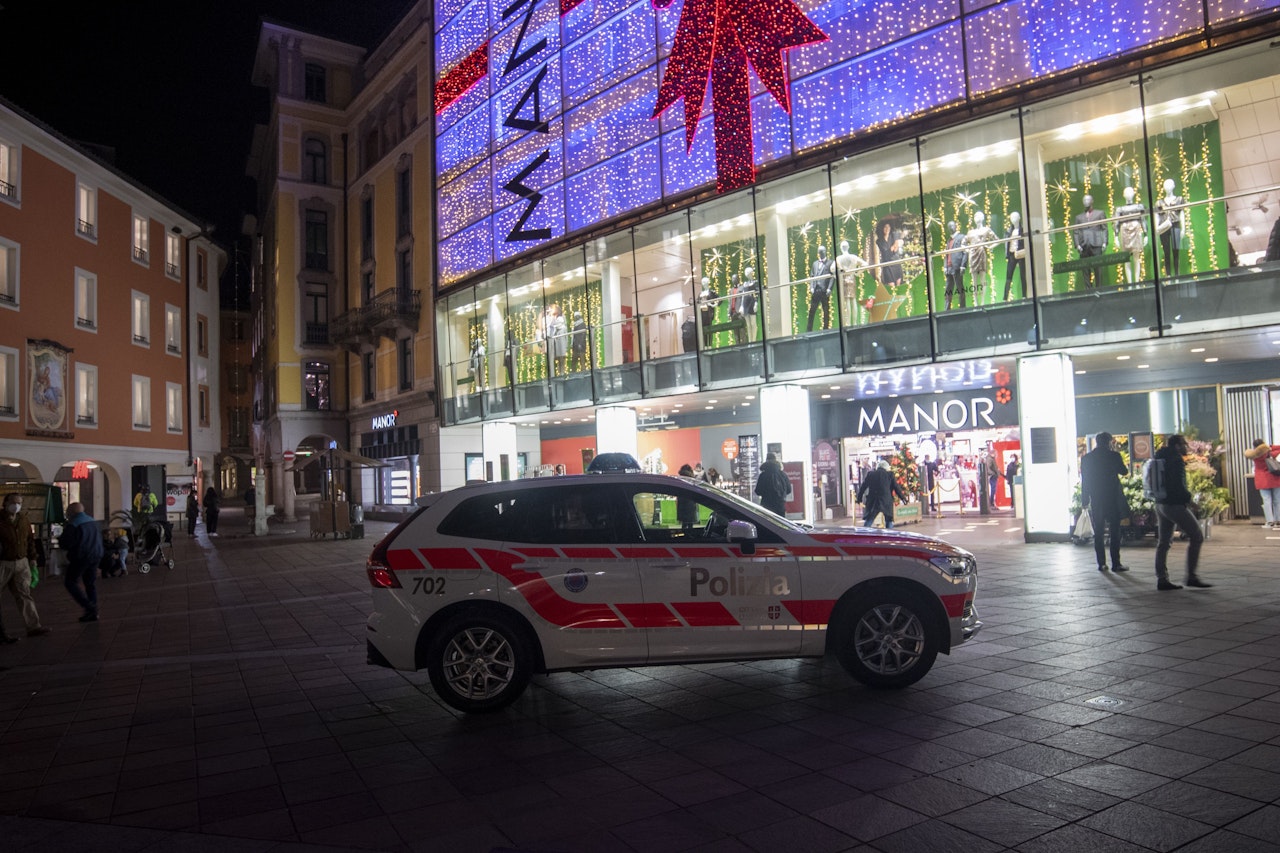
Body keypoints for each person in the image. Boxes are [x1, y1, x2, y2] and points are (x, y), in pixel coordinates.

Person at [1152, 434, 1210, 590]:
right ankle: (1191, 576)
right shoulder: (1175, 460)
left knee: (1163, 542)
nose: (1186, 447)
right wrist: (1189, 501)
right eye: (1184, 444)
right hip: (1175, 505)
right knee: (1197, 536)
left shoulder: (1160, 457)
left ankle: (1162, 579)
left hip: (1160, 504)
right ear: (1177, 445)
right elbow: (1177, 485)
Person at [0, 493, 51, 639]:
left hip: (21, 562)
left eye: (19, 503)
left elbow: (30, 540)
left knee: (24, 594)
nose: (16, 505)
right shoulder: (1, 520)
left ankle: (33, 626)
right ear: (6, 503)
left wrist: (32, 558)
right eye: (13, 502)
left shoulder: (23, 519)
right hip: (3, 562)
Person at [1080, 433, 1129, 572]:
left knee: (1099, 531)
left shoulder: (1087, 459)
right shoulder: (1114, 456)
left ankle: (1101, 563)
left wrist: (1085, 500)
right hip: (1112, 497)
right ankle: (1116, 563)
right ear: (1109, 442)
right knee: (1115, 531)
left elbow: (1085, 481)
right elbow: (1124, 471)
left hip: (1097, 498)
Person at [60, 501, 103, 623]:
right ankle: (92, 612)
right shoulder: (92, 521)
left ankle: (89, 607)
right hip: (96, 555)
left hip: (82, 556)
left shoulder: (73, 524)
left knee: (70, 582)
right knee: (90, 583)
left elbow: (65, 543)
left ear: (71, 512)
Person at [857, 459, 907, 528]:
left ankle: (864, 535)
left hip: (873, 501)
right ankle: (889, 536)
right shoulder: (890, 475)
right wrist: (903, 498)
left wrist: (859, 499)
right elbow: (896, 488)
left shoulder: (870, 474)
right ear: (886, 467)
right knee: (889, 520)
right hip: (886, 501)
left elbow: (863, 487)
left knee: (869, 519)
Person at [1074, 194, 1108, 288]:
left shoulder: (1100, 213)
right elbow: (1075, 231)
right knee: (1085, 270)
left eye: (1088, 200)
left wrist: (1105, 242)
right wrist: (1077, 245)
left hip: (1096, 244)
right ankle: (1088, 291)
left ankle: (1099, 289)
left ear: (1092, 201)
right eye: (1084, 200)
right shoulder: (1079, 217)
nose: (1086, 202)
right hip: (1083, 245)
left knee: (1098, 269)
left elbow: (1104, 228)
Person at [1244, 438, 1280, 529]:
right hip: (1275, 478)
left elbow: (1247, 453)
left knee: (1267, 501)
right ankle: (1278, 521)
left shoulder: (1255, 456)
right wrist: (1270, 447)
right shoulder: (1271, 453)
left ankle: (1270, 521)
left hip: (1262, 480)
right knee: (1277, 500)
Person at [1114, 186, 1146, 284]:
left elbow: (1143, 220)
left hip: (1136, 231)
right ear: (1123, 195)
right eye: (1126, 193)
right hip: (1124, 232)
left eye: (1130, 192)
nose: (1128, 194)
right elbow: (1116, 222)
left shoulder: (1139, 207)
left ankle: (1136, 282)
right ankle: (1130, 282)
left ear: (1134, 194)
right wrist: (1115, 236)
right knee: (1126, 258)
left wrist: (1146, 234)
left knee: (1136, 257)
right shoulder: (1119, 209)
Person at [964, 212, 997, 301]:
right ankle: (976, 302)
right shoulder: (970, 232)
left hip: (981, 253)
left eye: (978, 216)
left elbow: (996, 240)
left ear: (982, 218)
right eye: (975, 216)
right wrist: (968, 250)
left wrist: (990, 247)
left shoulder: (986, 230)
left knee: (983, 278)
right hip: (972, 255)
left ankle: (982, 301)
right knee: (974, 280)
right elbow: (963, 244)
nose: (976, 217)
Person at [1156, 179, 1185, 276]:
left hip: (1175, 225)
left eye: (1169, 185)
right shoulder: (1159, 202)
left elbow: (1182, 214)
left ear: (1173, 186)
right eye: (1165, 185)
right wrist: (1157, 227)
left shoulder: (1179, 199)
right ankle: (1168, 275)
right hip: (1164, 227)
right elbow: (1157, 215)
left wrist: (1183, 228)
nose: (1167, 187)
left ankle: (1177, 274)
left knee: (1175, 251)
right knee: (1166, 252)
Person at [807, 245, 834, 331]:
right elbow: (812, 276)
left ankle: (825, 329)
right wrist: (811, 286)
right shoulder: (815, 263)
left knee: (826, 311)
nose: (821, 253)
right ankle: (809, 330)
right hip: (815, 290)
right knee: (812, 311)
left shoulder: (830, 263)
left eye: (822, 251)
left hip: (824, 291)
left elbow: (832, 277)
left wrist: (829, 288)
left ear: (825, 252)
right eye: (820, 252)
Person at [943, 221, 968, 309]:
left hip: (957, 266)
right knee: (948, 289)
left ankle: (962, 307)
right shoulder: (949, 240)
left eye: (952, 226)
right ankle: (947, 308)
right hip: (949, 268)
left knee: (959, 287)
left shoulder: (961, 237)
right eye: (949, 226)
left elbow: (965, 252)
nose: (951, 228)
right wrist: (945, 266)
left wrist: (963, 265)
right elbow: (946, 255)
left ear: (956, 226)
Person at [1003, 212, 1025, 300]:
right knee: (1008, 276)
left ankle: (1024, 295)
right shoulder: (1009, 231)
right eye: (1011, 217)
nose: (1013, 219)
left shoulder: (1022, 229)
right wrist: (1007, 255)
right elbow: (1006, 244)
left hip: (1020, 253)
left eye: (1015, 217)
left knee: (1023, 275)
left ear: (1019, 218)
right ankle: (1005, 297)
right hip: (1012, 254)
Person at [676, 464, 698, 529]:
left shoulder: (680, 478)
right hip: (690, 502)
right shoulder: (692, 479)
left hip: (682, 502)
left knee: (684, 523)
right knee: (690, 523)